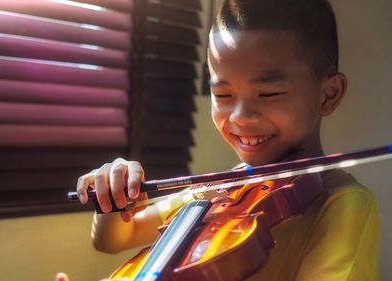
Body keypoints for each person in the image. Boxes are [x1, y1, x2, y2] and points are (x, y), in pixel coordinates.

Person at [66, 0, 380, 280]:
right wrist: (113, 199)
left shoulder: (343, 202)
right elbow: (113, 239)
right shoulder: (222, 191)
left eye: (268, 93)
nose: (240, 117)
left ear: (328, 95)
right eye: (223, 94)